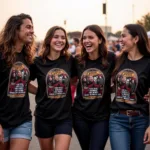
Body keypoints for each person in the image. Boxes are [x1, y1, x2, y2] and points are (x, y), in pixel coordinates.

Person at [30, 26, 76, 150]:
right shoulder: (37, 62)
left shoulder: (70, 60)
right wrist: (39, 91)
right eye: (56, 37)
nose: (59, 40)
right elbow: (25, 82)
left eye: (63, 37)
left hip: (64, 117)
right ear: (49, 39)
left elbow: (76, 79)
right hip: (43, 117)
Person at [72, 24, 115, 150]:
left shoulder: (111, 58)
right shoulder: (78, 60)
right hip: (80, 116)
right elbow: (72, 81)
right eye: (84, 38)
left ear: (100, 39)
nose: (87, 41)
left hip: (102, 117)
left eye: (91, 37)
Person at [109, 24, 150, 150]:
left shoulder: (148, 62)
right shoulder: (117, 60)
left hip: (141, 120)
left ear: (136, 39)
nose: (120, 39)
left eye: (123, 36)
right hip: (117, 119)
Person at [0, 13, 35, 150]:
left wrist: (42, 92)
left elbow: (24, 83)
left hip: (22, 119)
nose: (32, 31)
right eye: (28, 27)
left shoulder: (27, 57)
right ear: (15, 29)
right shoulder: (1, 54)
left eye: (32, 27)